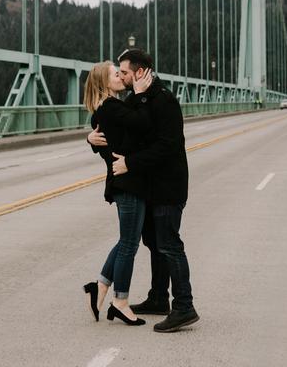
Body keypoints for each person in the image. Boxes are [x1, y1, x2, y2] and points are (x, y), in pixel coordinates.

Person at [88, 48, 200, 333]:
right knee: (153, 243)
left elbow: (166, 146)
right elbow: (117, 128)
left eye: (124, 72)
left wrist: (131, 163)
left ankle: (184, 306)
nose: (122, 76)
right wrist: (92, 138)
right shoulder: (139, 99)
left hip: (168, 186)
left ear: (139, 73)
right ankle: (158, 298)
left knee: (169, 245)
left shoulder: (163, 101)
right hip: (150, 186)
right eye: (118, 73)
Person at [82, 60, 154, 326]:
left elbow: (110, 131)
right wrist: (141, 94)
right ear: (105, 82)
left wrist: (89, 140)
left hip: (124, 182)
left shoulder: (106, 109)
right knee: (128, 245)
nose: (121, 77)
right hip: (128, 183)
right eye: (116, 74)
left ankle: (99, 286)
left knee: (126, 241)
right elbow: (142, 124)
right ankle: (120, 301)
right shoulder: (111, 107)